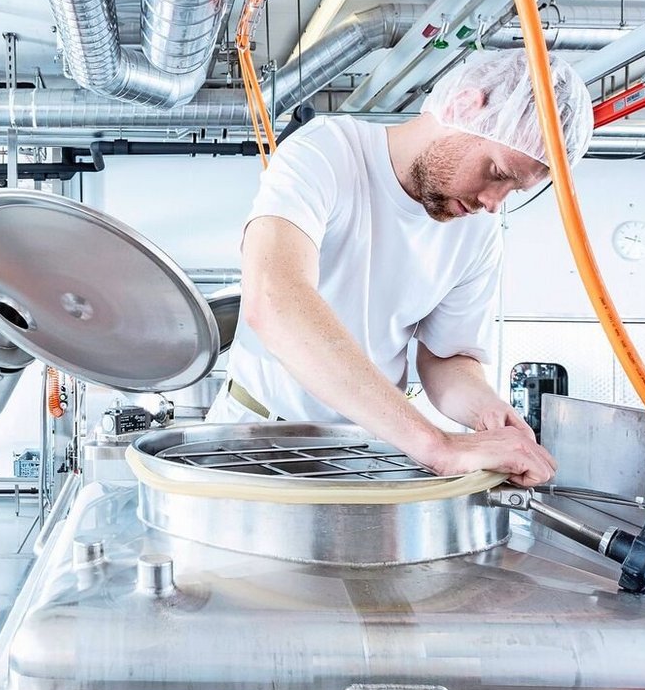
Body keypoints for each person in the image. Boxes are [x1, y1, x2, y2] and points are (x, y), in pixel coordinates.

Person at [206, 49, 594, 487]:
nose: (493, 202)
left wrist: (485, 410)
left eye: (513, 191)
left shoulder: (477, 231)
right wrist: (436, 446)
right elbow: (275, 301)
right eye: (497, 173)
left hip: (368, 452)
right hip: (256, 441)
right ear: (466, 107)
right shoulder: (326, 153)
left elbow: (447, 358)